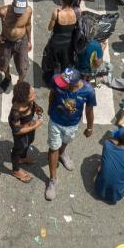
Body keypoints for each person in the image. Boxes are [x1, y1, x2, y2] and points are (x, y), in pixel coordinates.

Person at [44, 67, 96, 202]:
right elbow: (52, 94)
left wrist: (90, 127)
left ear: (74, 84)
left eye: (64, 84)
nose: (60, 84)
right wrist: (50, 108)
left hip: (73, 124)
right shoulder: (56, 80)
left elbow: (89, 110)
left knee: (65, 141)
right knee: (53, 147)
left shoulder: (88, 91)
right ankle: (53, 179)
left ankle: (62, 153)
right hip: (55, 121)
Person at [0, 0, 33, 93]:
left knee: (23, 68)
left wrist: (29, 40)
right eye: (17, 11)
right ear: (12, 5)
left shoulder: (28, 11)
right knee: (3, 65)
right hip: (6, 41)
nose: (19, 14)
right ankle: (7, 78)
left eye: (21, 12)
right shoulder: (3, 11)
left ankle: (20, 83)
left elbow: (28, 25)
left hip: (22, 42)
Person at [8, 80, 43, 182]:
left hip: (29, 130)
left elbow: (33, 104)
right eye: (32, 94)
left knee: (29, 142)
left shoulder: (29, 101)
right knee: (18, 148)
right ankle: (16, 170)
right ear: (24, 99)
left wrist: (37, 108)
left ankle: (22, 158)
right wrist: (36, 125)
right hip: (21, 136)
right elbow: (17, 131)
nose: (34, 94)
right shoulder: (16, 112)